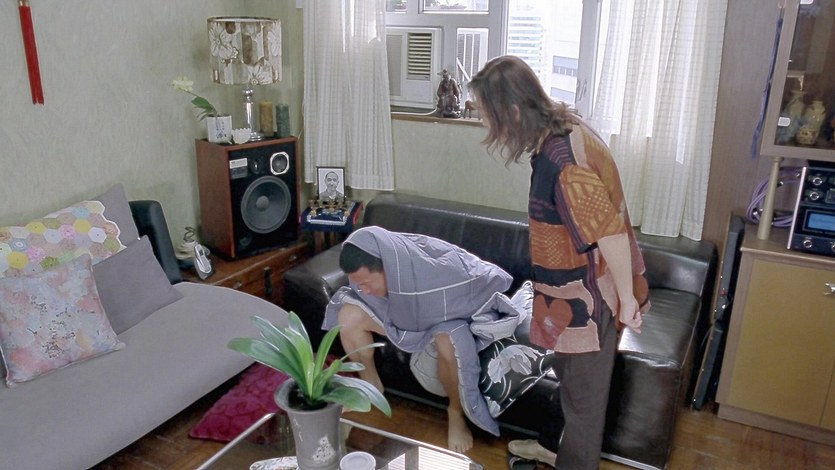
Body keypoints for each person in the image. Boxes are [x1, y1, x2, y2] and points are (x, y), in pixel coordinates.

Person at [468, 55, 651, 469]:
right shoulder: (562, 127)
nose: (486, 124)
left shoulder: (563, 162)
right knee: (567, 380)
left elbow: (610, 234)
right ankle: (552, 448)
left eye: (488, 114)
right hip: (565, 294)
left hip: (591, 300)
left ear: (514, 110)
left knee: (584, 406)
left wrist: (626, 300)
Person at [323, 226, 520, 453]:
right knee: (348, 316)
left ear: (389, 269)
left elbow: (486, 283)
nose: (363, 291)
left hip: (442, 317)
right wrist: (367, 288)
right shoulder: (380, 258)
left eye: (367, 283)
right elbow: (363, 293)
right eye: (359, 285)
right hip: (403, 313)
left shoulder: (440, 275)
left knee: (450, 339)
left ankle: (455, 413)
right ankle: (371, 386)